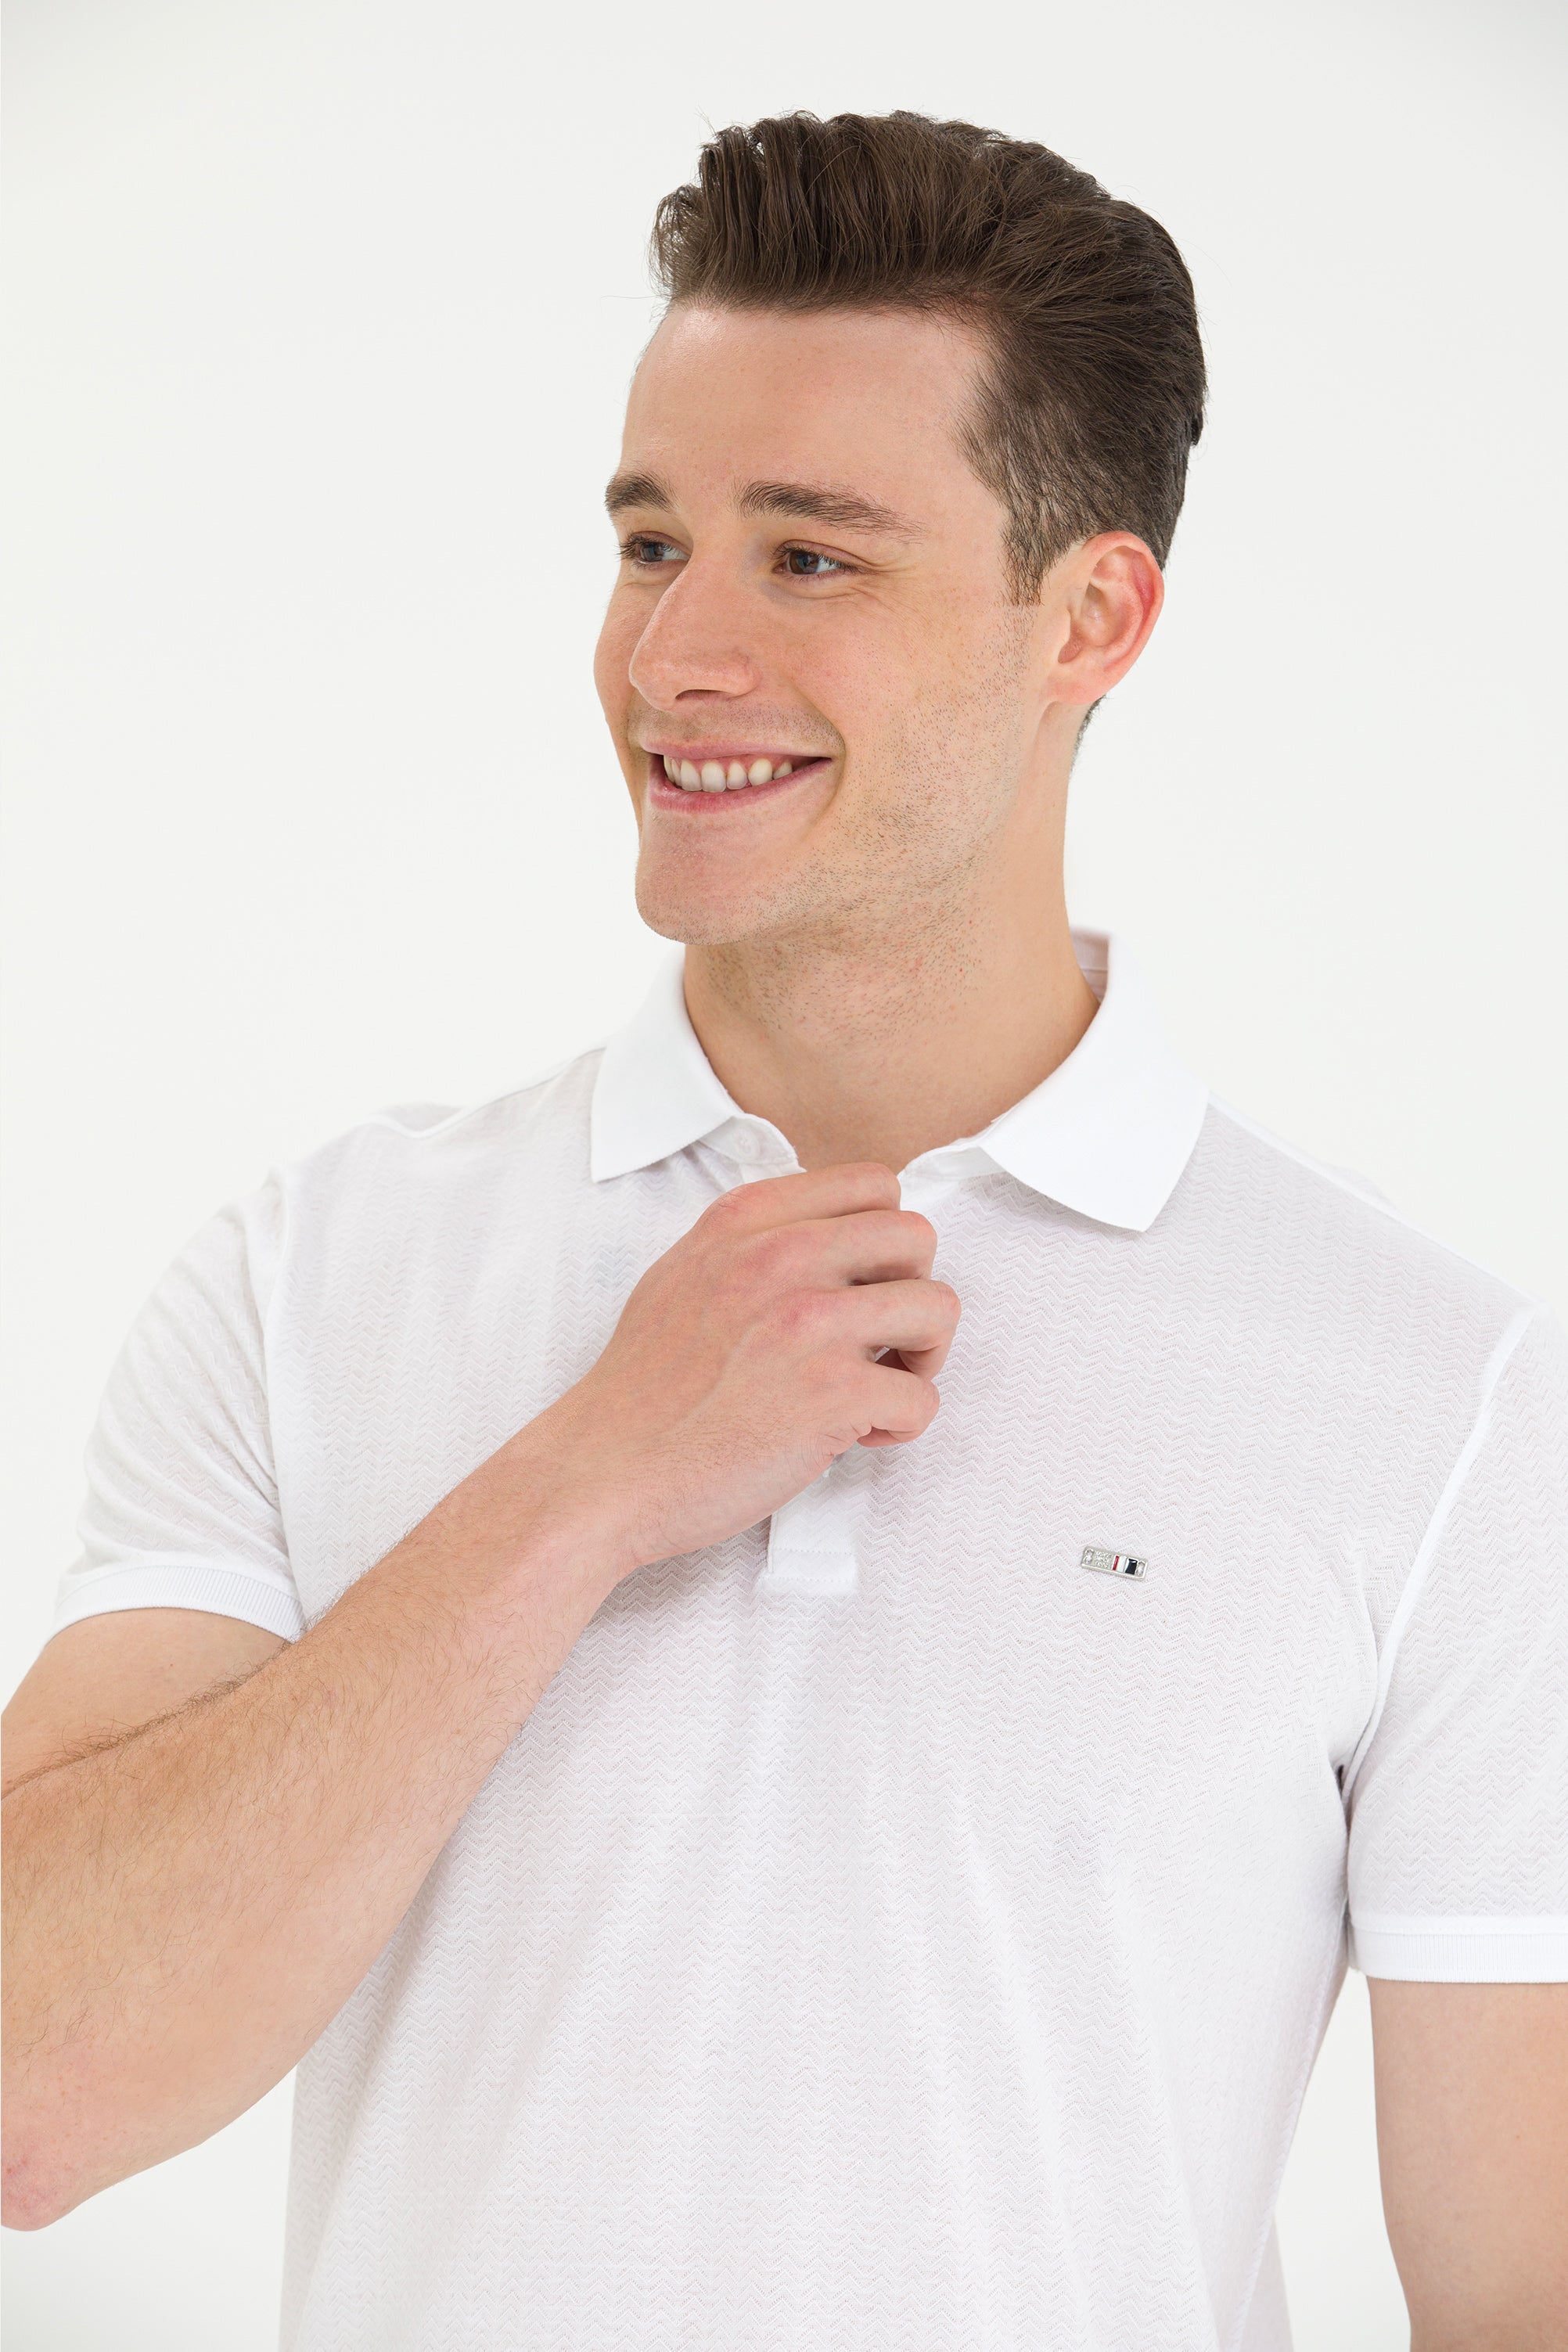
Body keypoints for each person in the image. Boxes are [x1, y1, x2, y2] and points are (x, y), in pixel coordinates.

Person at [3, 109, 1564, 2352]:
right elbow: (29, 2088)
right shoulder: (309, 1275)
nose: (676, 652)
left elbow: (1516, 2295)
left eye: (810, 558)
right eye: (651, 540)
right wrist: (586, 1483)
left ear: (1090, 617)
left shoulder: (1440, 1393)